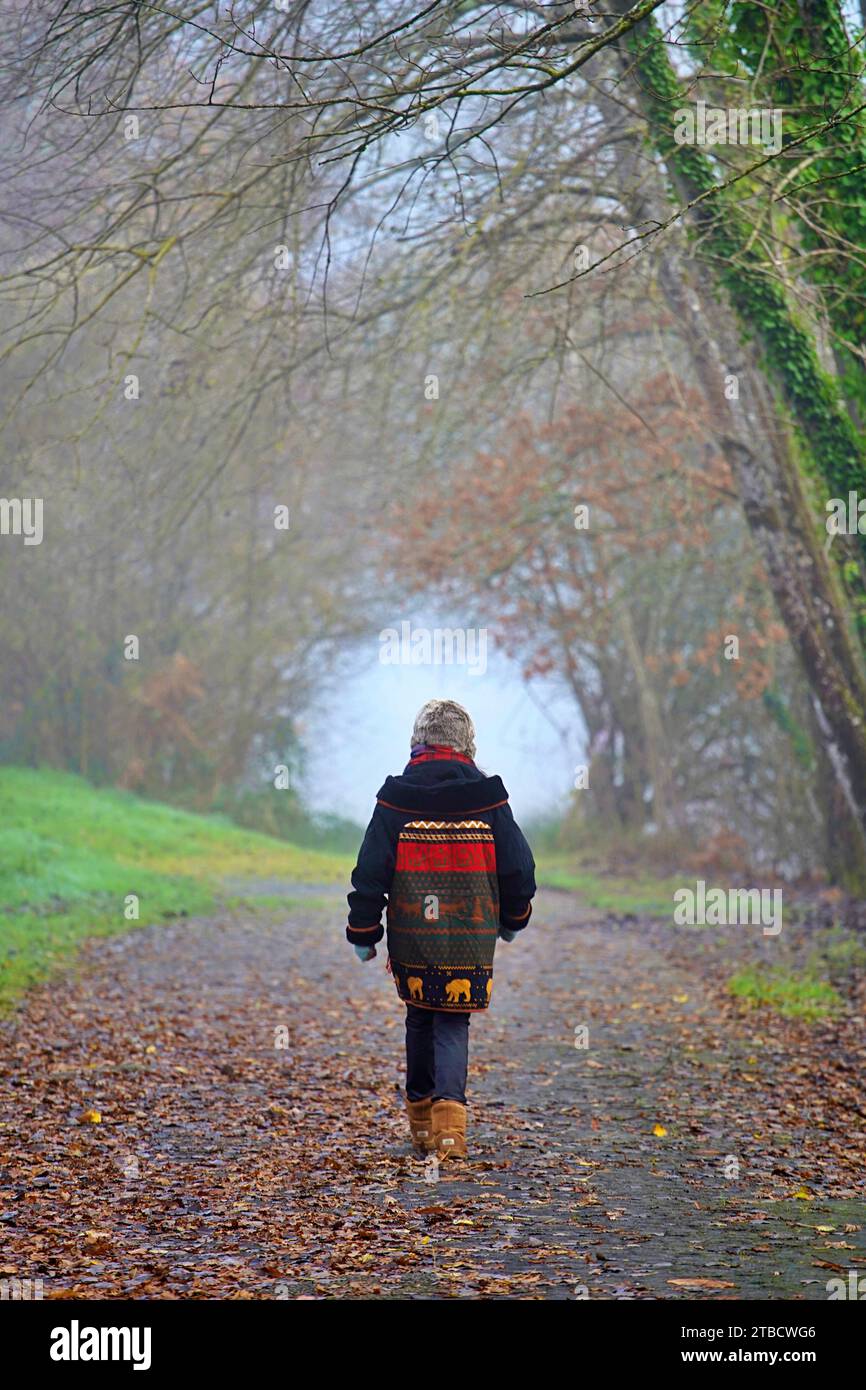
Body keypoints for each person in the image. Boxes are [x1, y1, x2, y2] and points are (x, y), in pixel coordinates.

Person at [346, 699, 536, 1161]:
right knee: (453, 1019)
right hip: (469, 933)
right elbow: (519, 869)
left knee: (419, 1014)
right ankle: (451, 1134)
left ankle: (422, 1126)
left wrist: (364, 931)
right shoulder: (489, 798)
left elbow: (371, 870)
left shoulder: (395, 798)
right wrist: (513, 920)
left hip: (413, 931)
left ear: (418, 743)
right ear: (467, 744)